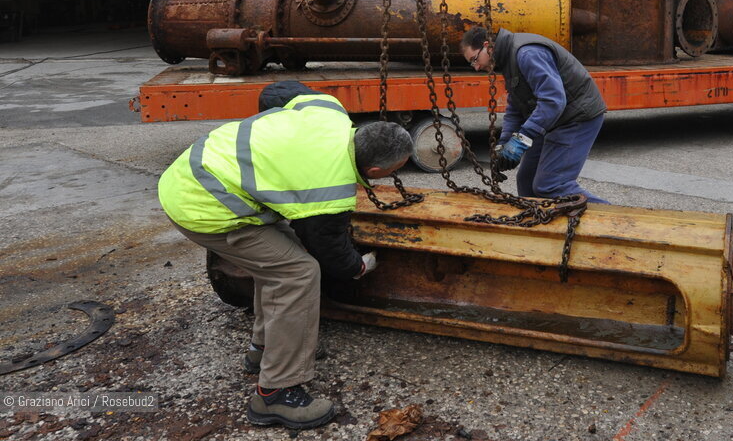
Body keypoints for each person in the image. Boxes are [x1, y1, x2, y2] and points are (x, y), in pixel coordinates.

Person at [158, 80, 413, 430]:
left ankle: (264, 349)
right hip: (203, 204)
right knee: (298, 273)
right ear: (375, 172)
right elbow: (329, 250)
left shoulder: (329, 110)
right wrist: (359, 266)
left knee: (282, 258)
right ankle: (275, 393)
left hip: (195, 169)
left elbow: (277, 92)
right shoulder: (331, 185)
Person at [460, 26, 608, 204]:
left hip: (576, 117)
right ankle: (537, 219)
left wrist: (522, 139)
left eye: (474, 59)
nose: (476, 67)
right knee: (527, 181)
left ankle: (616, 217)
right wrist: (505, 143)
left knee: (552, 185)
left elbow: (553, 100)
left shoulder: (527, 54)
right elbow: (516, 107)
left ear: (487, 46)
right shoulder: (508, 59)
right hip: (554, 118)